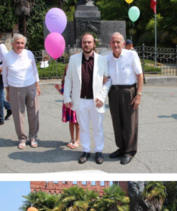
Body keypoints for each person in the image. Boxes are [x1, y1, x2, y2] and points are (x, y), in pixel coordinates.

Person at [64, 32, 110, 165]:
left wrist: (102, 97)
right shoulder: (73, 59)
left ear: (94, 44)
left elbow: (107, 80)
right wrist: (67, 96)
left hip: (96, 101)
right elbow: (68, 79)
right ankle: (85, 151)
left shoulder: (102, 60)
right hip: (80, 100)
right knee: (83, 127)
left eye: (89, 42)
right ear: (81, 44)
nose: (87, 44)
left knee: (98, 128)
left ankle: (99, 151)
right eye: (84, 42)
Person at [106, 32, 144, 165]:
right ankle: (121, 148)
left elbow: (139, 75)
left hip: (129, 92)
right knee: (117, 123)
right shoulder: (107, 58)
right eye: (113, 42)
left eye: (118, 42)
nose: (116, 44)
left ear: (123, 44)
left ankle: (129, 151)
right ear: (110, 44)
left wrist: (138, 95)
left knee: (129, 123)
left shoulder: (131, 55)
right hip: (114, 93)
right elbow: (105, 76)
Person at [2, 33, 41, 149]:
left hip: (31, 85)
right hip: (15, 87)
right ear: (12, 44)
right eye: (17, 43)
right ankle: (22, 138)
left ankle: (33, 136)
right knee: (19, 114)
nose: (20, 45)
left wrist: (37, 86)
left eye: (22, 43)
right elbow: (5, 75)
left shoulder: (29, 54)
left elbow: (35, 70)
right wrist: (8, 92)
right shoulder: (7, 56)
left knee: (33, 112)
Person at [55, 64, 80, 149]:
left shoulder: (77, 80)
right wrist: (58, 89)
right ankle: (72, 139)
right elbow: (64, 92)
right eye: (67, 70)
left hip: (76, 103)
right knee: (71, 122)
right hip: (67, 105)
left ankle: (77, 140)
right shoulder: (65, 81)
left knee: (77, 122)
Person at [0, 28, 12, 126]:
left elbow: (8, 59)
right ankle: (9, 108)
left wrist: (0, 70)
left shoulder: (1, 46)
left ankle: (0, 118)